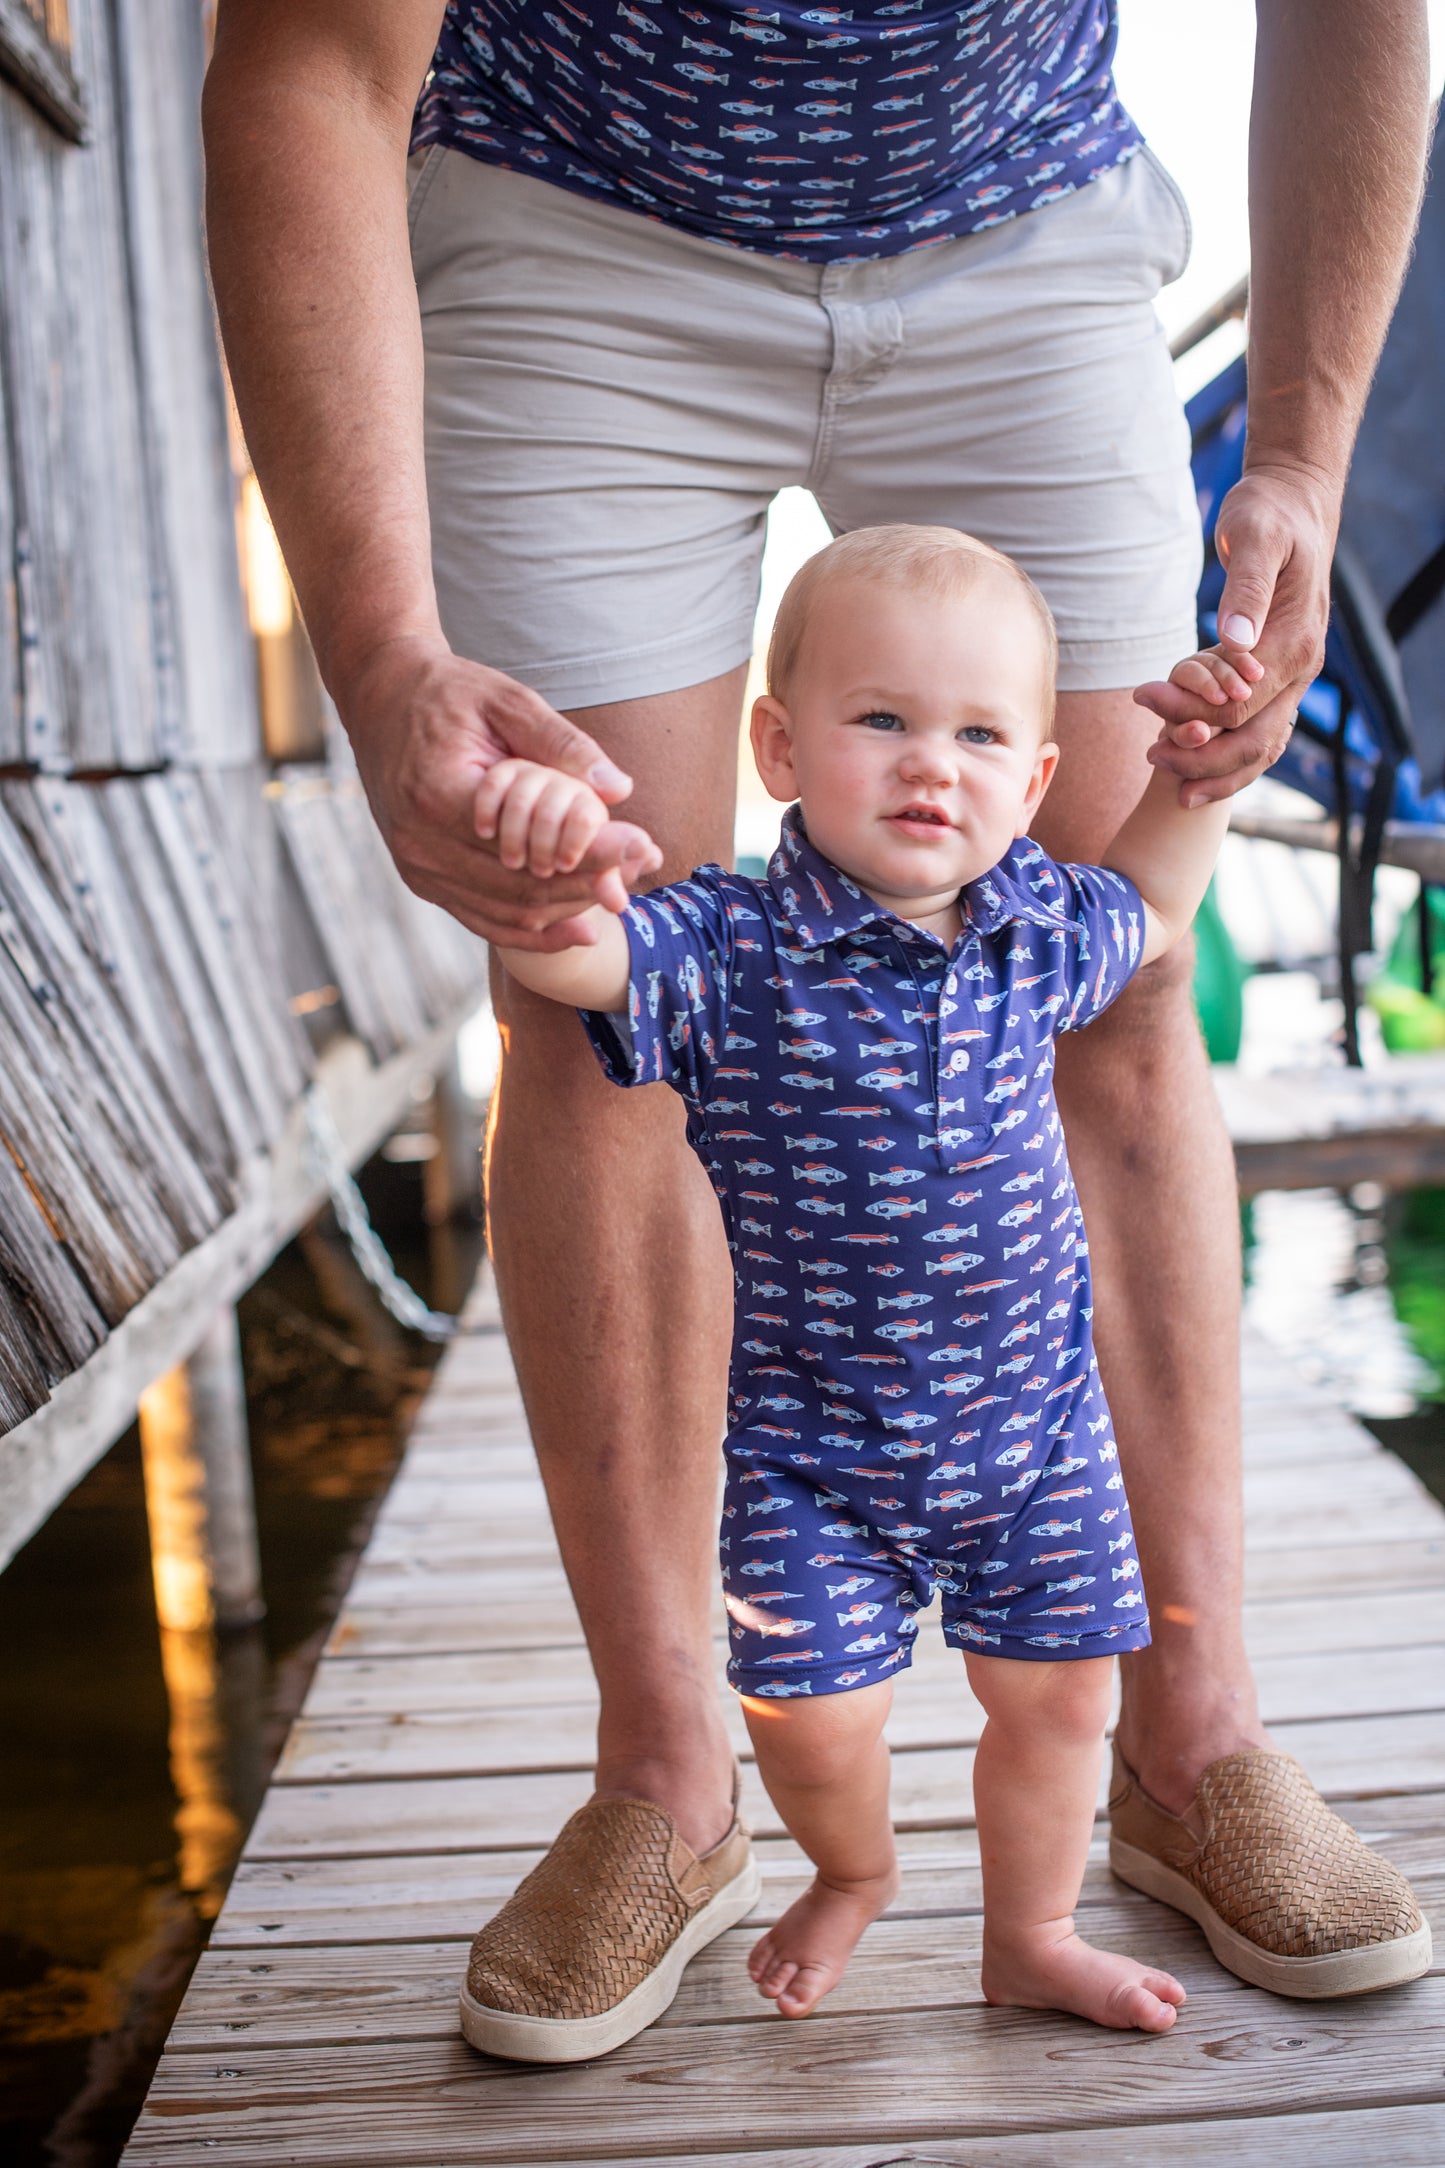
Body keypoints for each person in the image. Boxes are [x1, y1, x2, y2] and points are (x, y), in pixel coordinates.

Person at [203, 0, 1433, 2057]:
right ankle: (671, 1785)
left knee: (1118, 997)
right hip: (570, 213)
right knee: (578, 988)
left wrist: (1300, 457)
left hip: (1018, 208)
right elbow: (315, 57)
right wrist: (389, 650)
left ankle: (1190, 1734)